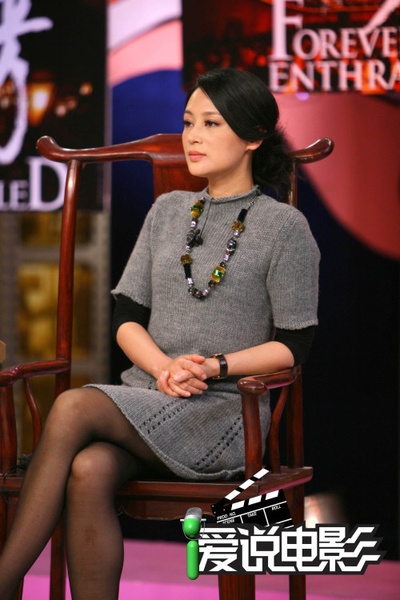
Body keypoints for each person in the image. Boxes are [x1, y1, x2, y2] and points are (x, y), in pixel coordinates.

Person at [0, 68, 320, 599]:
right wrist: (163, 369)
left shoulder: (285, 228)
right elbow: (126, 316)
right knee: (88, 469)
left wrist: (213, 366)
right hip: (150, 396)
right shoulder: (167, 211)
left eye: (211, 124)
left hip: (224, 413)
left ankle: (4, 581)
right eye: (189, 122)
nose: (193, 136)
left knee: (75, 406)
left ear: (253, 137)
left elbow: (293, 344)